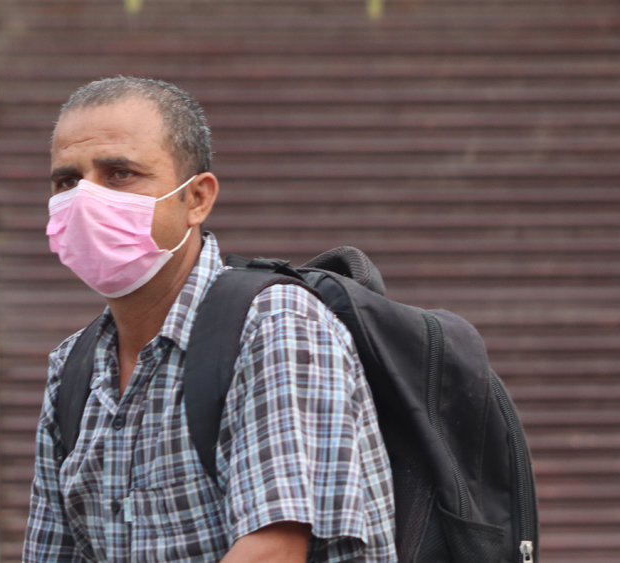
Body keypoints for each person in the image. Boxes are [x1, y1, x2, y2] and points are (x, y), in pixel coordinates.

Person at [24, 77, 396, 563]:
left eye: (119, 174)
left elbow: (274, 552)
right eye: (67, 182)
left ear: (197, 199)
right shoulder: (73, 369)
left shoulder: (273, 325)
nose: (85, 200)